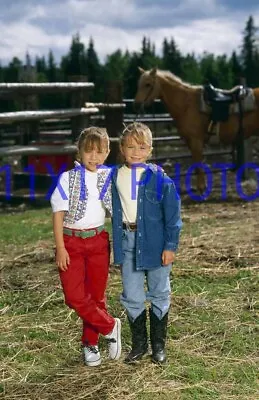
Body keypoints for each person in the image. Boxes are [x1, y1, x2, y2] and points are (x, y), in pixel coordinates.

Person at [111, 122, 182, 364]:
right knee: (132, 294)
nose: (136, 152)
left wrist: (170, 247)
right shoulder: (112, 176)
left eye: (142, 147)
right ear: (121, 148)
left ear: (150, 150)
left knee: (159, 292)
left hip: (156, 242)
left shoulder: (160, 178)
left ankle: (158, 346)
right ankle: (139, 346)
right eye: (130, 146)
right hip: (127, 241)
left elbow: (173, 217)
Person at [50, 126, 121, 367]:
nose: (94, 156)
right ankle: (110, 326)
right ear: (79, 152)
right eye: (88, 151)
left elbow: (123, 207)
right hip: (71, 242)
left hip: (99, 241)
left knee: (96, 295)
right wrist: (60, 247)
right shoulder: (68, 178)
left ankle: (90, 344)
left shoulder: (110, 177)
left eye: (99, 151)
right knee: (74, 296)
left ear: (107, 152)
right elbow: (58, 214)